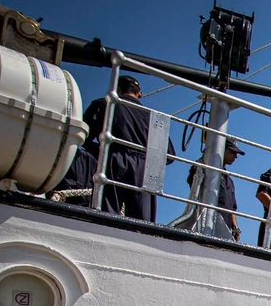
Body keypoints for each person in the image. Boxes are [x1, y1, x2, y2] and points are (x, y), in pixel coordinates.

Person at [81, 74, 175, 221]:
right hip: (144, 168)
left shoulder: (104, 104)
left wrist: (101, 152)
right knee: (142, 222)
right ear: (140, 94)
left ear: (117, 89)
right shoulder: (152, 117)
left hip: (114, 160)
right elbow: (169, 155)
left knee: (107, 215)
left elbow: (82, 136)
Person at [184, 138, 243, 240]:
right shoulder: (202, 168)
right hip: (204, 225)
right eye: (232, 152)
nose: (236, 156)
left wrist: (235, 228)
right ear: (221, 149)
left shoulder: (229, 181)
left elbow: (232, 208)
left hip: (224, 229)